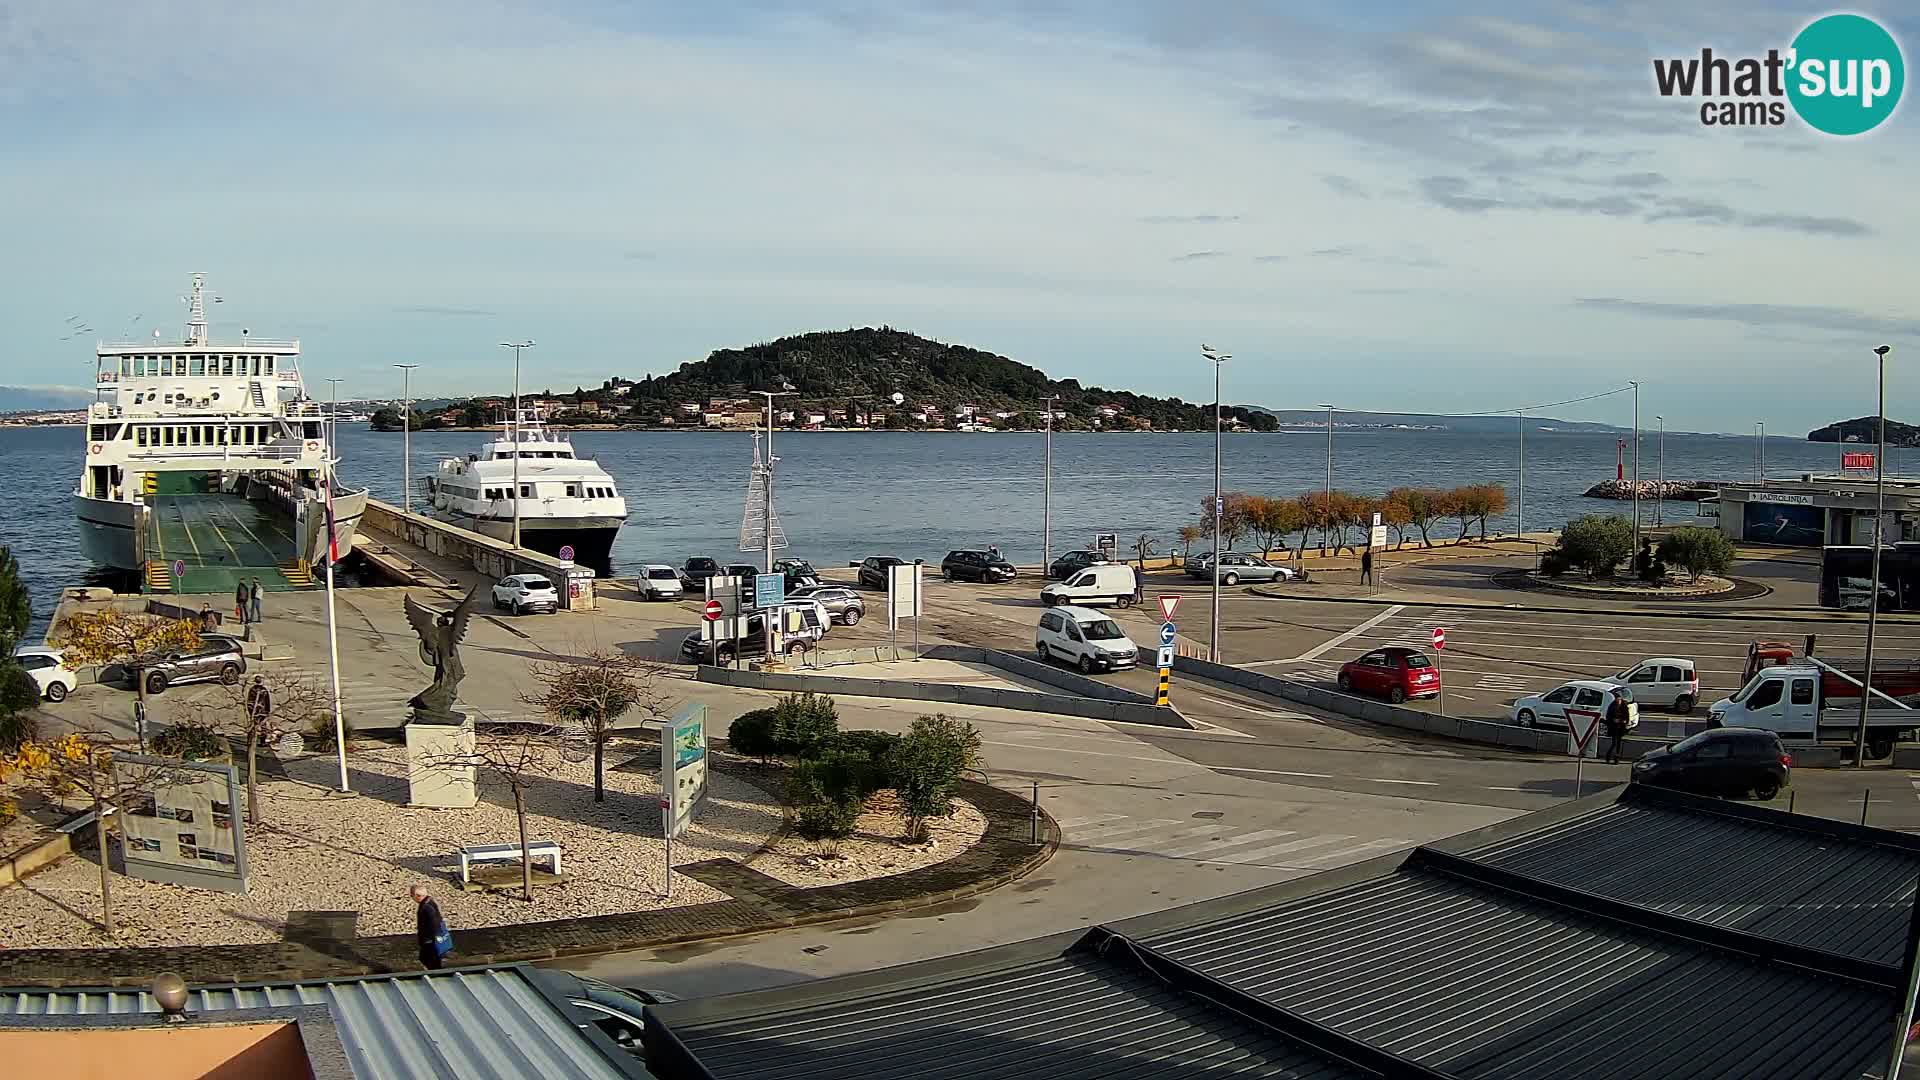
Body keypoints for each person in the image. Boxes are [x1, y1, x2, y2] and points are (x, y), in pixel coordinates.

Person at [412, 884, 449, 970]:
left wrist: (427, 938)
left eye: (412, 895)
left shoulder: (426, 907)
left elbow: (433, 923)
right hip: (432, 939)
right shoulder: (430, 902)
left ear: (417, 896)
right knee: (431, 959)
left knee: (428, 959)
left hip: (430, 940)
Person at [1604, 690, 1630, 765]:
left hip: (1621, 727)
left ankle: (1616, 759)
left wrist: (1625, 721)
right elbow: (1608, 717)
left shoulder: (1624, 705)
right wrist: (1613, 720)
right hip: (1614, 727)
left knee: (1619, 743)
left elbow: (1627, 716)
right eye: (1617, 699)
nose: (1618, 701)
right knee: (1614, 743)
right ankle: (1608, 757)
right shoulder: (1612, 706)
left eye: (1619, 699)